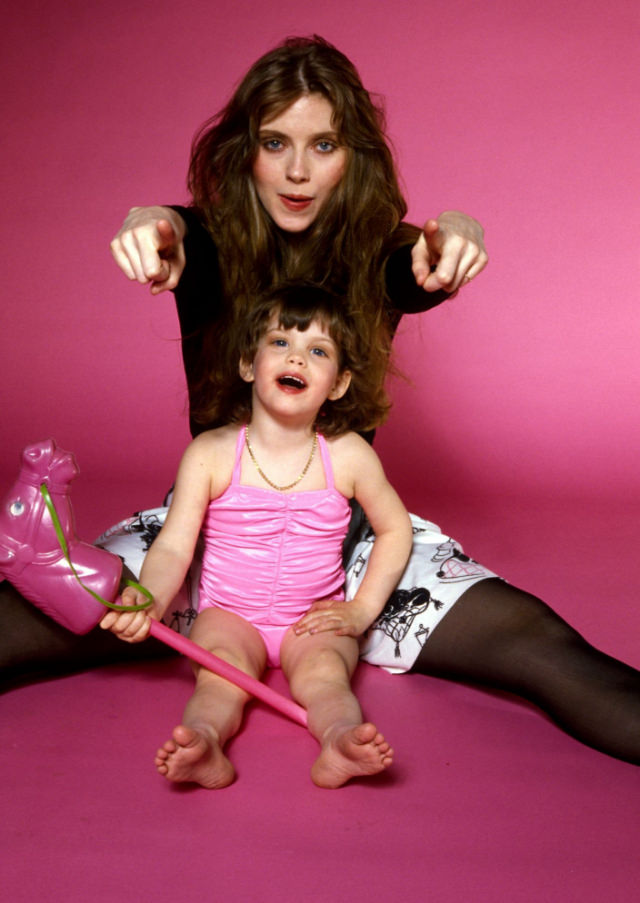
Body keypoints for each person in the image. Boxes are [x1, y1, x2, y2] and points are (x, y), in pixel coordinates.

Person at [3, 35, 639, 768]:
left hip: (347, 547)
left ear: (353, 156)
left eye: (325, 144)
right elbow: (176, 232)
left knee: (539, 644)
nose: (299, 171)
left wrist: (455, 238)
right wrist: (154, 222)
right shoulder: (206, 244)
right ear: (247, 150)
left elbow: (420, 260)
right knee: (23, 614)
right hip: (206, 536)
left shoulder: (380, 250)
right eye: (276, 142)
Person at [101, 285, 413, 788]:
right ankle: (204, 741)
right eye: (280, 343)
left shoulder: (349, 454)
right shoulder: (212, 451)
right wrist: (150, 599)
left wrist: (360, 611)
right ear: (249, 363)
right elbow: (176, 545)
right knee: (220, 673)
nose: (298, 358)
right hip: (231, 613)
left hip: (312, 616)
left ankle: (340, 739)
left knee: (325, 675)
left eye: (318, 351)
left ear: (339, 383)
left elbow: (396, 529)